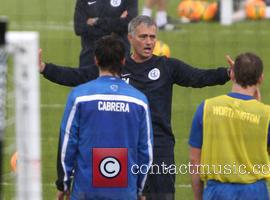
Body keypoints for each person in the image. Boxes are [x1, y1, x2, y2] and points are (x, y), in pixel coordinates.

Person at [40, 15, 230, 200]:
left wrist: (228, 73)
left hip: (160, 148)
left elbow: (199, 77)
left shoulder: (167, 66)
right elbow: (76, 76)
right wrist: (44, 68)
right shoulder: (116, 66)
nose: (149, 42)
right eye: (143, 37)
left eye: (152, 37)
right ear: (130, 38)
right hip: (126, 147)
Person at [56, 35, 153, 200]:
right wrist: (141, 190)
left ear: (95, 60)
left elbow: (67, 144)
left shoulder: (79, 96)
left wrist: (63, 184)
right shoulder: (139, 100)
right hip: (124, 192)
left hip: (86, 191)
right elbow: (146, 151)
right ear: (123, 61)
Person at [189, 52, 270, 200]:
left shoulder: (206, 108)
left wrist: (198, 197)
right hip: (255, 192)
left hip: (217, 192)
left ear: (232, 75)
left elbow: (194, 160)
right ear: (261, 78)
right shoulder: (269, 114)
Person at [74, 0, 137, 67]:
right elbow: (79, 28)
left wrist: (97, 21)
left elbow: (130, 24)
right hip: (90, 58)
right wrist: (115, 27)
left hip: (118, 57)